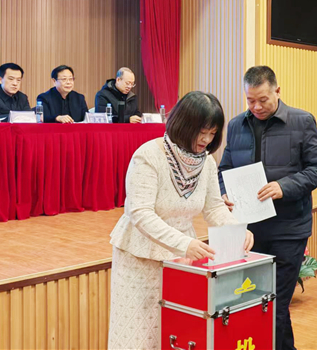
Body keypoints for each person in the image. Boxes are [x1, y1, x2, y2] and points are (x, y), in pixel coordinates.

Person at [108, 91, 254, 349]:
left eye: (213, 133)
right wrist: (184, 243)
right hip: (141, 258)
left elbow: (214, 208)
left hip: (182, 260)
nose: (206, 140)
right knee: (139, 336)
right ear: (184, 125)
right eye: (202, 132)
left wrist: (237, 230)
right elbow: (140, 213)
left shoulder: (207, 162)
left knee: (178, 331)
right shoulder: (148, 155)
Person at [219, 66, 317, 350]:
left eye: (263, 100)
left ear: (277, 92)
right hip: (248, 231)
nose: (256, 107)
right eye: (250, 100)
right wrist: (223, 193)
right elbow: (224, 170)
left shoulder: (302, 121)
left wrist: (284, 187)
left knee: (275, 304)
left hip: (288, 229)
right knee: (253, 301)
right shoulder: (236, 125)